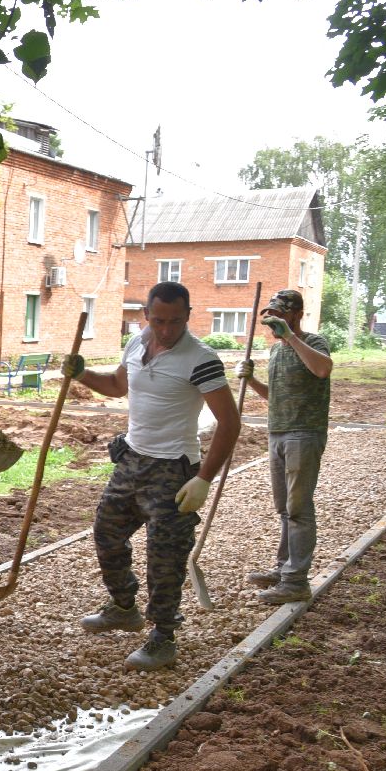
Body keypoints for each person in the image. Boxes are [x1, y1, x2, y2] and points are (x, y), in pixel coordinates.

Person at [60, 281, 242, 670]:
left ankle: (163, 637)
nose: (166, 329)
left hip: (173, 469)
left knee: (165, 555)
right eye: (158, 320)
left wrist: (204, 478)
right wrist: (82, 373)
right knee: (107, 532)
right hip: (132, 459)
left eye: (175, 321)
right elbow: (117, 385)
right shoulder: (137, 343)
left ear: (188, 316)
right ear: (146, 315)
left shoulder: (201, 358)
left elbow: (230, 422)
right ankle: (124, 607)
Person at [236, 288, 333, 604]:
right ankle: (284, 569)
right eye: (270, 314)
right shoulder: (276, 351)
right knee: (284, 508)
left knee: (298, 509)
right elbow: (275, 397)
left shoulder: (313, 342)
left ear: (297, 315)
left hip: (304, 434)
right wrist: (251, 380)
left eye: (280, 313)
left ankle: (296, 582)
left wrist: (291, 337)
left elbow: (323, 369)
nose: (273, 320)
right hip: (277, 432)